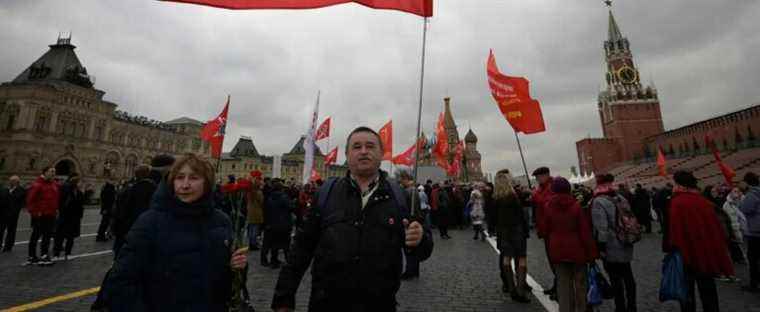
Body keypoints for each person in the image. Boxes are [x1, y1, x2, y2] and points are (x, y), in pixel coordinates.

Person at [271, 126, 433, 312]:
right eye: (357, 147)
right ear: (347, 155)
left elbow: (423, 252)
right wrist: (283, 299)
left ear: (381, 154)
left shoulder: (402, 197)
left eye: (370, 146)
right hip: (326, 304)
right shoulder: (326, 194)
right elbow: (301, 249)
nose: (363, 151)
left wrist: (420, 240)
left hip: (379, 305)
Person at [105, 153, 248, 311]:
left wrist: (236, 266)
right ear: (171, 182)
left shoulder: (221, 221)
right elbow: (122, 280)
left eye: (193, 178)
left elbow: (224, 282)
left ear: (207, 183)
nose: (185, 185)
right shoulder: (151, 221)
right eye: (180, 177)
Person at [664, 170, 734, 312]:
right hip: (706, 252)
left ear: (679, 185)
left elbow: (675, 233)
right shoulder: (704, 201)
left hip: (686, 255)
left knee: (687, 292)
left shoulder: (677, 202)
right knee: (708, 289)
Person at [545, 177, 597, 312]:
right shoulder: (576, 206)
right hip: (577, 250)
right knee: (580, 285)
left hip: (557, 250)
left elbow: (545, 229)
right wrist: (591, 255)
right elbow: (585, 232)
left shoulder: (548, 207)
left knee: (563, 286)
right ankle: (581, 309)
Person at [591, 174, 637, 312]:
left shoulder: (598, 201)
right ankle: (632, 306)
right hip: (626, 241)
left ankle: (620, 307)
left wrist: (601, 247)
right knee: (628, 277)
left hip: (611, 246)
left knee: (615, 280)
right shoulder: (620, 197)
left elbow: (602, 228)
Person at [493, 169, 531, 303]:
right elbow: (521, 216)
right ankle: (520, 290)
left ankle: (511, 288)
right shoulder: (513, 196)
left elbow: (493, 218)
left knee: (506, 258)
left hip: (503, 231)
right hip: (516, 230)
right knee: (521, 259)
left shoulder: (496, 198)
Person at [110, 164, 157, 255]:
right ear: (148, 174)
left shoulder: (127, 188)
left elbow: (118, 209)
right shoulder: (153, 189)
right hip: (139, 230)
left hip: (124, 229)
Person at [25, 166, 60, 266]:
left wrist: (56, 209)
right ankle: (31, 256)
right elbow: (30, 200)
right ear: (45, 172)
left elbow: (55, 199)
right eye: (51, 171)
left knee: (47, 236)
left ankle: (44, 254)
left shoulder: (54, 184)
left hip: (51, 214)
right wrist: (35, 213)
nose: (53, 173)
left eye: (55, 172)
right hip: (40, 215)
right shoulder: (37, 184)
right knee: (35, 235)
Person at [532, 166, 557, 299]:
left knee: (556, 260)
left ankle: (560, 288)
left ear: (545, 175)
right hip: (546, 230)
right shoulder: (541, 188)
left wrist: (535, 196)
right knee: (552, 260)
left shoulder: (552, 187)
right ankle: (557, 284)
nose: (537, 180)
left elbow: (546, 203)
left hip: (553, 230)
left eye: (538, 177)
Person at [397, 168, 425, 280]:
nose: (400, 182)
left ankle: (410, 272)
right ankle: (415, 270)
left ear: (405, 179)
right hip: (415, 220)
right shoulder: (413, 190)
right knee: (413, 247)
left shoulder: (409, 191)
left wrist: (407, 219)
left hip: (410, 221)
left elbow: (408, 208)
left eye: (401, 180)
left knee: (409, 248)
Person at [53, 174, 88, 260]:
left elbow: (82, 205)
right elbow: (61, 202)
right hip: (65, 216)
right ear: (76, 183)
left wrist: (80, 215)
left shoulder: (79, 193)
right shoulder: (66, 190)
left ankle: (68, 253)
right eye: (80, 182)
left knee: (70, 237)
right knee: (60, 236)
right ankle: (56, 254)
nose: (82, 184)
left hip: (74, 218)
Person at [261, 178, 293, 269]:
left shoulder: (269, 197)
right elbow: (290, 207)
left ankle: (273, 261)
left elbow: (266, 210)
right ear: (281, 188)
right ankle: (289, 262)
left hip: (272, 224)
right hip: (284, 224)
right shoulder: (284, 197)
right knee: (286, 244)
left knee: (274, 244)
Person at [739, 171, 760, 292]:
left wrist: (743, 197)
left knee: (753, 259)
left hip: (755, 232)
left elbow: (745, 208)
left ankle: (754, 284)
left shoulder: (752, 194)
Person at [1, 175, 26, 252]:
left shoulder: (21, 190)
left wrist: (10, 193)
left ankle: (8, 246)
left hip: (13, 214)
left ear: (17, 182)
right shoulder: (5, 189)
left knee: (11, 231)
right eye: (10, 180)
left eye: (12, 181)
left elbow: (16, 199)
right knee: (1, 230)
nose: (10, 182)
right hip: (3, 213)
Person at [723, 188, 746, 265]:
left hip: (748, 227)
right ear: (730, 193)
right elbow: (729, 219)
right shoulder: (726, 205)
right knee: (742, 246)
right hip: (737, 229)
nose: (737, 193)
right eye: (735, 191)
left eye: (739, 191)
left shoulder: (745, 200)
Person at [246, 170, 265, 251]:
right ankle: (253, 244)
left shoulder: (249, 192)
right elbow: (262, 202)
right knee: (255, 229)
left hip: (250, 212)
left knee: (251, 229)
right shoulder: (258, 192)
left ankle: (251, 243)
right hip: (257, 213)